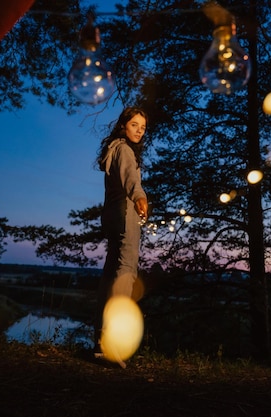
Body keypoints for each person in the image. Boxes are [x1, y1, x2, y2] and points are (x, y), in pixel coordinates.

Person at [93, 106, 148, 361]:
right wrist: (139, 198)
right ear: (124, 125)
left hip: (111, 216)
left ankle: (101, 341)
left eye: (143, 127)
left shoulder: (113, 149)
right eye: (135, 124)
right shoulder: (124, 150)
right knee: (126, 271)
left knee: (110, 274)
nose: (139, 130)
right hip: (125, 216)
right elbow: (131, 180)